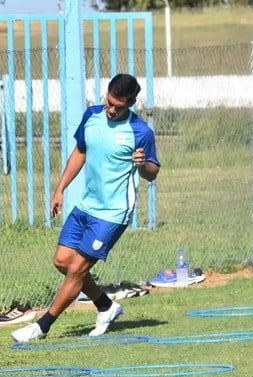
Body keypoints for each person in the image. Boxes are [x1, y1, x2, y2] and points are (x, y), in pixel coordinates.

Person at [12, 74, 160, 343]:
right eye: (109, 102)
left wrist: (142, 164)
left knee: (78, 268)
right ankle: (105, 305)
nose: (112, 110)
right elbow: (80, 152)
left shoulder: (140, 132)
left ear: (131, 103)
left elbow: (152, 173)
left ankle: (42, 326)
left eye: (118, 106)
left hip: (113, 213)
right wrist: (60, 189)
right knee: (63, 262)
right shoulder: (92, 116)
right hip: (86, 206)